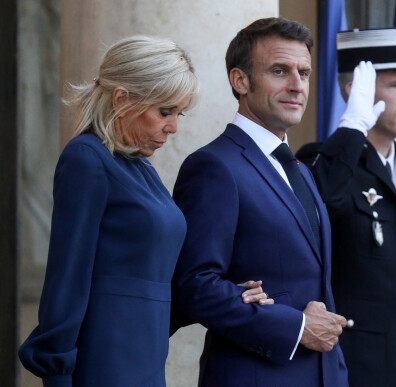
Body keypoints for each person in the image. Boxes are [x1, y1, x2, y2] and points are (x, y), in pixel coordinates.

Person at [18, 35, 271, 387]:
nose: (173, 127)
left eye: (178, 113)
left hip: (145, 363)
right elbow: (67, 280)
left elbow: (151, 287)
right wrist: (57, 374)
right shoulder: (86, 159)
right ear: (122, 99)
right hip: (104, 367)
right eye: (164, 111)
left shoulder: (139, 169)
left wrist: (231, 292)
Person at [171, 17, 349, 386]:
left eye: (304, 72)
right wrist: (297, 327)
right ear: (241, 81)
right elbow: (193, 285)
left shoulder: (298, 167)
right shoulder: (214, 166)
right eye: (280, 71)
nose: (297, 86)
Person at [299, 28, 396, 386]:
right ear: (359, 91)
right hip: (360, 370)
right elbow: (316, 209)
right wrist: (352, 128)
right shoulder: (322, 163)